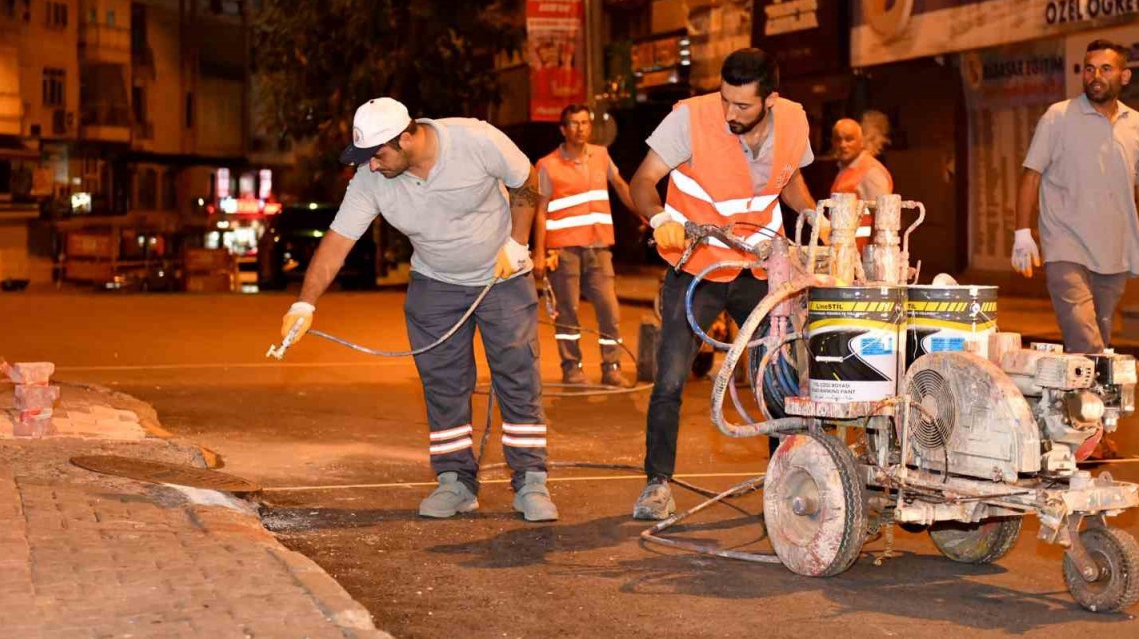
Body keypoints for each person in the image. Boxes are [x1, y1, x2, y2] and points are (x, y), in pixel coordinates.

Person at [278, 97, 558, 522]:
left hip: (503, 276)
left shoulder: (475, 139)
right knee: (443, 384)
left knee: (517, 375)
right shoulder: (371, 180)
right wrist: (304, 302)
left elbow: (526, 182)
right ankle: (455, 481)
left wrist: (518, 244)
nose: (371, 166)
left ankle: (531, 480)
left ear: (407, 137)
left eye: (377, 155)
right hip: (435, 285)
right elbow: (337, 241)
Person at [627, 48, 824, 520]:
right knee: (671, 379)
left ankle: (787, 479)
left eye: (742, 106)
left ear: (770, 100)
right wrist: (658, 219)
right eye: (725, 101)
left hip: (758, 267)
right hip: (695, 266)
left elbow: (789, 180)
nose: (729, 113)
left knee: (776, 377)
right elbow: (642, 181)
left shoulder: (794, 121)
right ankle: (657, 485)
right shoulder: (690, 120)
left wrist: (815, 215)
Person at [1012, 38, 1139, 355]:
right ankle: (1101, 396)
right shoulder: (1058, 117)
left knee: (1097, 332)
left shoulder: (1137, 125)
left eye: (1105, 69)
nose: (1095, 76)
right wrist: (1022, 233)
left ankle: (1083, 400)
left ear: (1124, 77)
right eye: (1089, 69)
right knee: (1084, 335)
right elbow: (1031, 175)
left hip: (1115, 248)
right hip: (1065, 245)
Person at [534, 104, 641, 387]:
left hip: (598, 248)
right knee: (567, 312)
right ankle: (571, 367)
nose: (580, 128)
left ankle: (612, 366)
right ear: (563, 129)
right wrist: (539, 253)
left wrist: (645, 214)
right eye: (573, 123)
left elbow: (620, 185)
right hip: (564, 251)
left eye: (584, 123)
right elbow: (541, 210)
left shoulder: (601, 157)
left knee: (609, 309)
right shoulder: (548, 165)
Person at [830, 116, 893, 250]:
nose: (842, 144)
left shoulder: (870, 172)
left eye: (849, 139)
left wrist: (872, 260)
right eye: (838, 139)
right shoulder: (846, 169)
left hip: (862, 259)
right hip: (847, 255)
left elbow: (883, 221)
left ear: (861, 141)